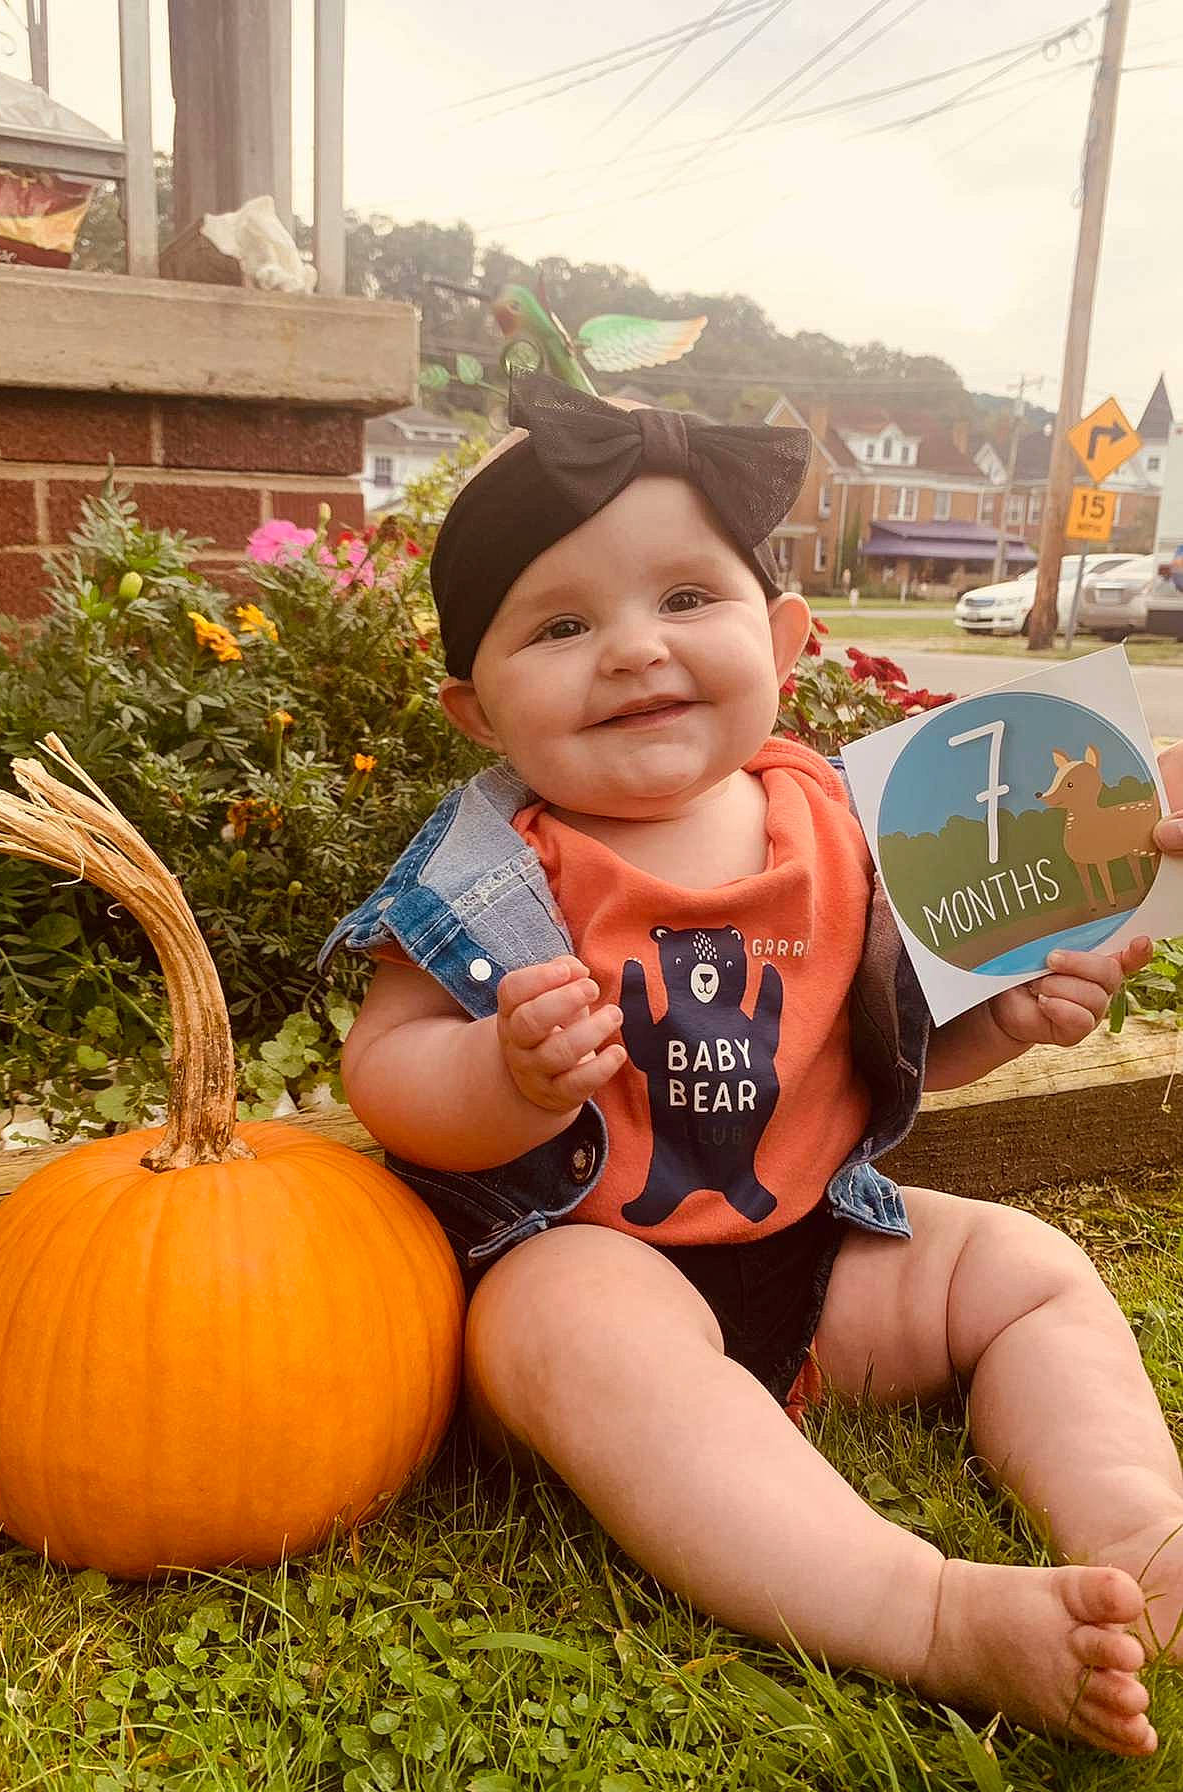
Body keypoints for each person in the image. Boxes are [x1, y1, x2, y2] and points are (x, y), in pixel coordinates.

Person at [316, 373, 1183, 1758]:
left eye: (684, 598)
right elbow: (386, 1071)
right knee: (568, 1313)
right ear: (476, 708)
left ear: (781, 636)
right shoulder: (492, 871)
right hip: (591, 1268)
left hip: (814, 1262)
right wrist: (501, 1073)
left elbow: (887, 1042)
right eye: (560, 625)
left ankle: (1141, 1535)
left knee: (1025, 1268)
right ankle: (923, 1611)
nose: (632, 650)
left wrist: (999, 1019)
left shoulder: (848, 824)